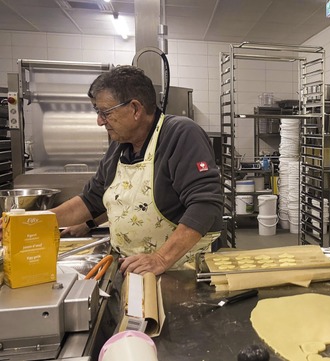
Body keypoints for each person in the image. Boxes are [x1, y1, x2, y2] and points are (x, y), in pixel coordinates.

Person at [51, 65, 223, 276]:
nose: (99, 121)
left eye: (105, 113)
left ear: (135, 109)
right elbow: (90, 201)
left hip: (183, 271)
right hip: (135, 268)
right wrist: (36, 221)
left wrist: (161, 258)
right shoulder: (119, 146)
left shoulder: (180, 134)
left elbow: (205, 205)